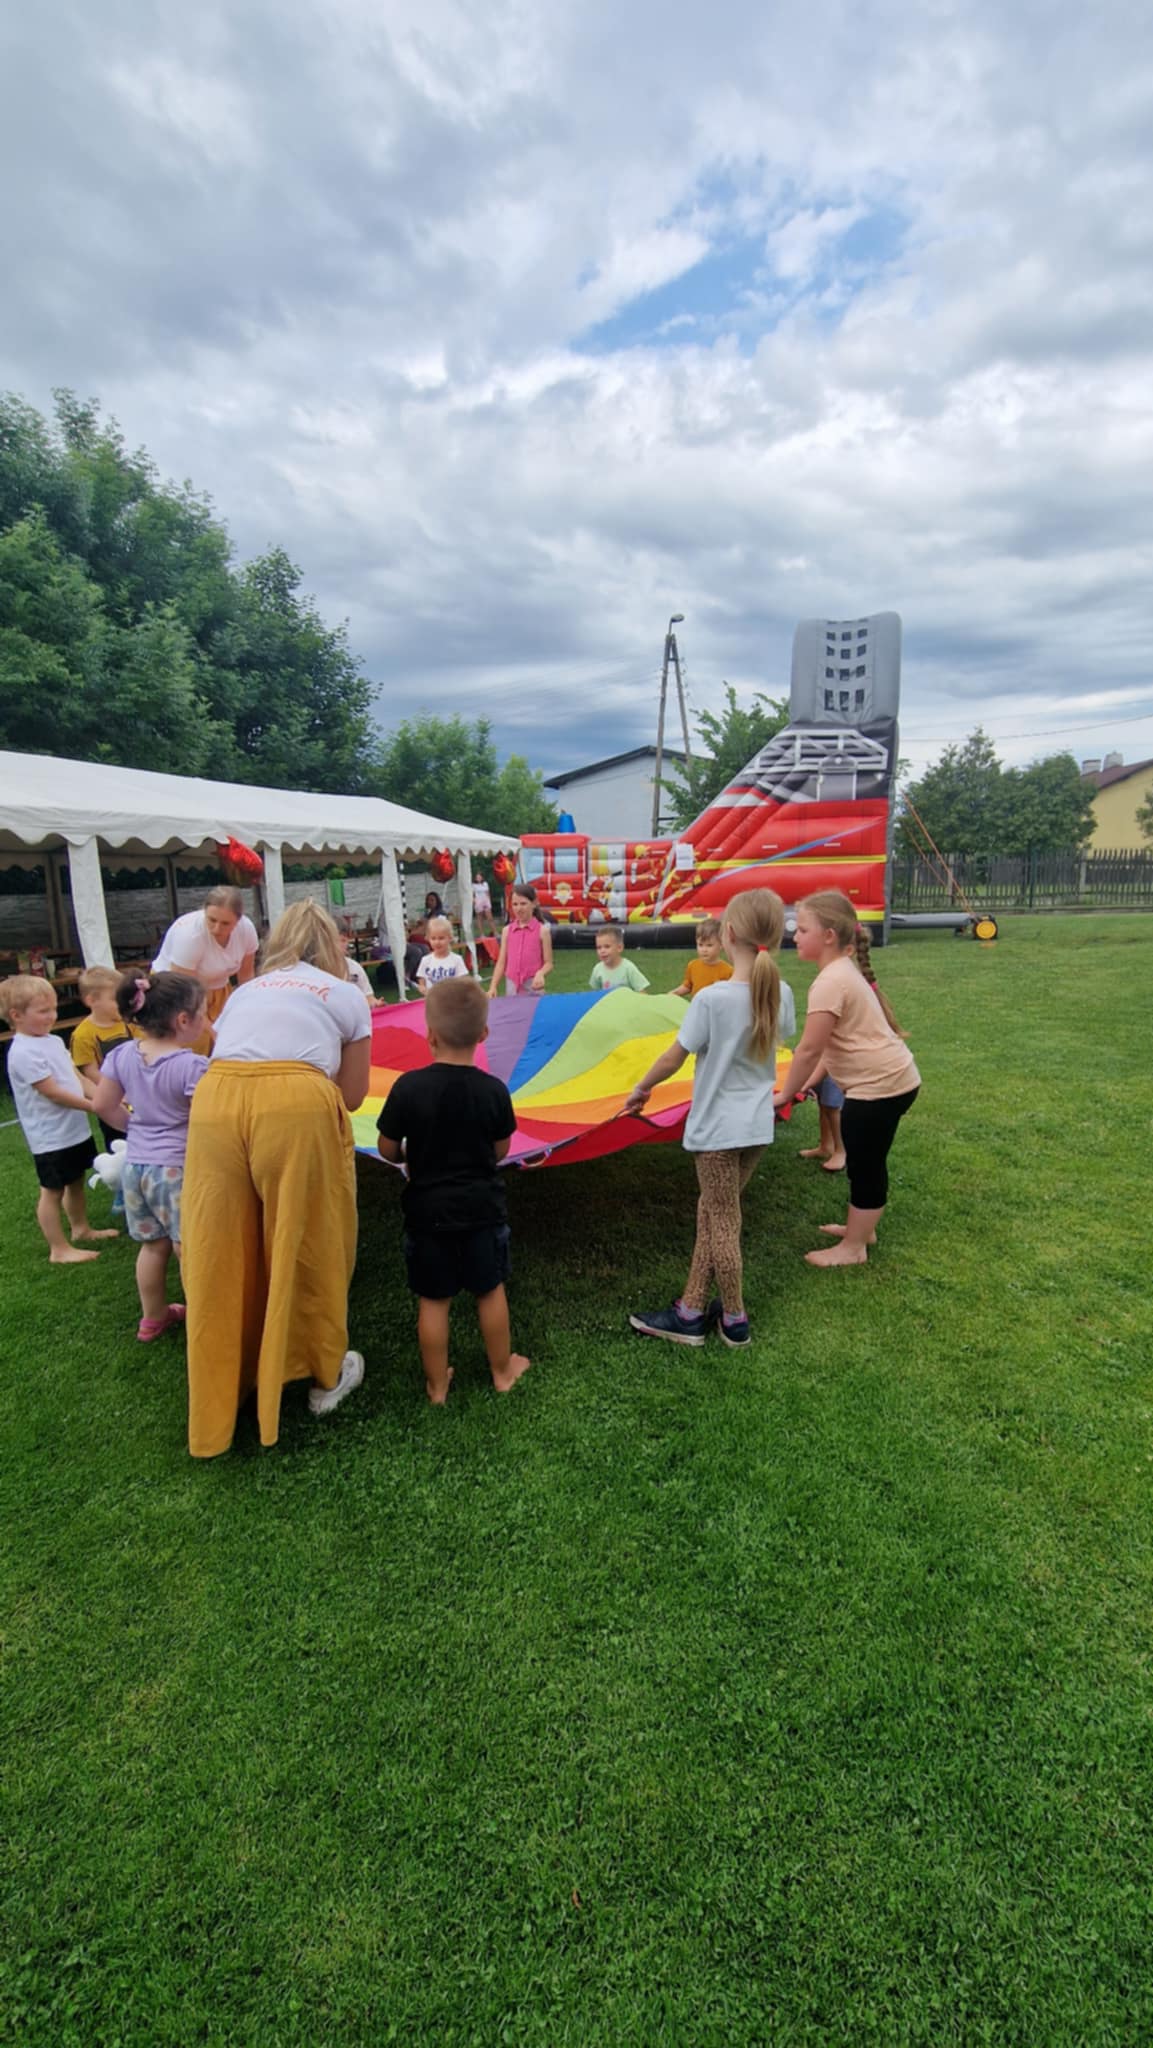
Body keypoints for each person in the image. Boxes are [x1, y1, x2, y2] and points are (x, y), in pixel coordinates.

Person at [180, 901, 372, 1457]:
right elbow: (352, 1095)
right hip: (295, 1101)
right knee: (308, 1237)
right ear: (332, 944)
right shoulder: (345, 994)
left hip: (216, 1100)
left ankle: (225, 1391)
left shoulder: (245, 992)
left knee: (219, 1247)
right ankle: (324, 1374)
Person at [623, 889, 795, 1349]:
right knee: (712, 1211)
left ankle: (734, 1317)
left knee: (722, 1220)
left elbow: (674, 1056)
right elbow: (783, 1042)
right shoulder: (780, 992)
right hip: (757, 1127)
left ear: (728, 934)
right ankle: (691, 1309)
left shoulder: (712, 999)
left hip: (718, 1130)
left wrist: (642, 1088)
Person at [376, 977, 530, 1404]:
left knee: (434, 1299)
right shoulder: (494, 1091)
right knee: (490, 1289)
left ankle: (437, 1385)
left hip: (427, 1214)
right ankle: (502, 1371)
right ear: (484, 1034)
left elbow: (387, 1148)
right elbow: (501, 1149)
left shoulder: (407, 1087)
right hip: (482, 1210)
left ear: (429, 1035)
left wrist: (407, 1156)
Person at [775, 891, 920, 1267]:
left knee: (865, 1166)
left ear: (828, 936)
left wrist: (786, 1093)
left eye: (802, 929)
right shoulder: (841, 973)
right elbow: (829, 1049)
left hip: (879, 1088)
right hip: (893, 1081)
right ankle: (861, 1230)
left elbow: (809, 1049)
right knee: (865, 1161)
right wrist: (806, 1084)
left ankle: (854, 1247)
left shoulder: (830, 982)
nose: (794, 936)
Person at [90, 971, 208, 1341]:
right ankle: (206, 1321)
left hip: (136, 1167)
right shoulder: (192, 1066)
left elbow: (102, 1105)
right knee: (186, 1247)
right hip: (176, 1170)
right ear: (184, 1020)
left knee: (153, 1246)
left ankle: (153, 1316)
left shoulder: (121, 1055)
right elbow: (209, 1120)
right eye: (203, 1013)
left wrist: (135, 1129)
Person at [0, 975, 117, 1264]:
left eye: (54, 1008)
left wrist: (104, 1098)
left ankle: (81, 1229)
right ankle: (59, 1249)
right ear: (16, 1015)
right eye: (43, 1011)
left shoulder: (52, 1041)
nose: (52, 1016)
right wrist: (95, 1107)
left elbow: (77, 1078)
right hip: (50, 1137)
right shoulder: (23, 1052)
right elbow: (53, 1092)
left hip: (74, 1130)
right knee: (52, 1191)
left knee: (76, 1180)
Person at [153, 886, 259, 1047]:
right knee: (197, 1041)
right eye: (212, 920)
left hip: (218, 987)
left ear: (238, 920)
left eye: (225, 923)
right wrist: (213, 1031)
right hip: (175, 991)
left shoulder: (246, 930)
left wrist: (250, 1009)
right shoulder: (190, 935)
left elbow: (246, 977)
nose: (217, 929)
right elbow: (184, 992)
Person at [71, 965, 144, 1148]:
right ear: (91, 1000)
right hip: (112, 1099)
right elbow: (91, 1072)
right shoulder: (83, 1035)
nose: (122, 1004)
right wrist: (118, 1091)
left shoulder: (129, 1024)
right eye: (115, 999)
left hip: (139, 1091)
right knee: (119, 1145)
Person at [488, 884, 554, 996]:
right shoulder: (507, 931)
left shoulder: (542, 931)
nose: (519, 908)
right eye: (515, 904)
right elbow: (501, 962)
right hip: (512, 986)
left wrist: (541, 973)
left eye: (523, 904)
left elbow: (549, 963)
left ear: (534, 903)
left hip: (534, 986)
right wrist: (493, 986)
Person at [670, 918, 733, 1001]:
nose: (704, 949)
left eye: (709, 945)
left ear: (721, 944)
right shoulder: (693, 965)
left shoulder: (728, 971)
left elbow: (731, 996)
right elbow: (687, 986)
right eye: (700, 945)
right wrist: (672, 994)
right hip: (696, 1007)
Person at [799, 1072, 846, 1174]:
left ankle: (841, 1152)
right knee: (823, 1099)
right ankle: (826, 1146)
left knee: (833, 1104)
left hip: (837, 1065)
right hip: (823, 1064)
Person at [337, 915, 385, 1009]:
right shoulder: (317, 970)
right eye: (335, 940)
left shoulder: (355, 968)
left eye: (343, 940)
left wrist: (375, 1003)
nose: (339, 945)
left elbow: (368, 997)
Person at [588, 926, 650, 993]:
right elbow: (595, 993)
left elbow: (641, 991)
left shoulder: (628, 968)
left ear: (619, 948)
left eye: (607, 946)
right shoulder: (597, 969)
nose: (602, 951)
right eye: (599, 947)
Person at [416, 917, 471, 992]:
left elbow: (464, 980)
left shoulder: (456, 960)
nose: (437, 942)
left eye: (441, 938)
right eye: (433, 938)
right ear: (428, 939)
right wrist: (422, 987)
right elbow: (421, 980)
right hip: (433, 998)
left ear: (450, 938)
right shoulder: (425, 960)